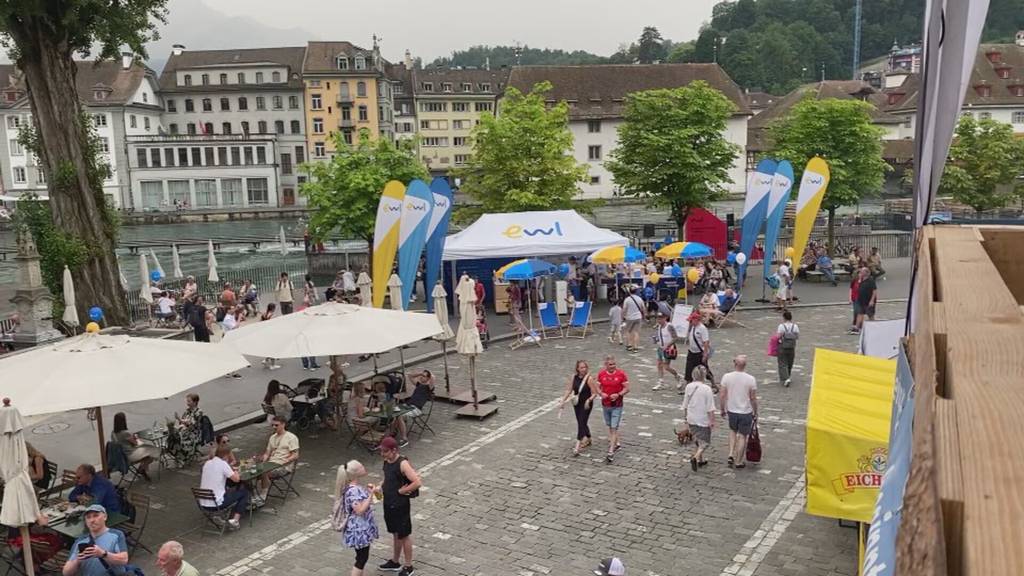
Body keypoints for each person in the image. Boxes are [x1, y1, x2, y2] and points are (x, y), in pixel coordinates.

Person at [378, 436, 422, 576]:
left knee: (404, 535)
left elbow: (416, 481)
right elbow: (386, 478)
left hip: (400, 505)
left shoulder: (402, 464)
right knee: (395, 533)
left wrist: (402, 491)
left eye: (385, 451)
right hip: (389, 503)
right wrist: (379, 487)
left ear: (394, 450)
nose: (382, 454)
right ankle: (395, 561)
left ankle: (409, 566)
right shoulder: (386, 461)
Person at [335, 460, 379, 576]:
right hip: (359, 528)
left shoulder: (354, 487)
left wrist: (374, 493)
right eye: (361, 466)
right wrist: (370, 494)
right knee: (362, 559)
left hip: (361, 526)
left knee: (361, 557)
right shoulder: (354, 491)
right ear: (355, 473)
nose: (364, 467)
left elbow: (376, 500)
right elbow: (359, 510)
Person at [61, 505, 129, 576]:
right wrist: (77, 560)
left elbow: (124, 560)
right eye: (88, 517)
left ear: (105, 517)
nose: (92, 520)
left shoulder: (116, 535)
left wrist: (103, 554)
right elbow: (66, 573)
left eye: (96, 516)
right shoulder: (80, 541)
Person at [720, 355, 758, 469]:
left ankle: (731, 453)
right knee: (742, 436)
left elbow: (722, 395)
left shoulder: (727, 377)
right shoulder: (750, 379)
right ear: (745, 365)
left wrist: (722, 409)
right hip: (745, 411)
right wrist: (755, 411)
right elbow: (753, 398)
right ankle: (739, 460)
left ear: (734, 364)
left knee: (732, 431)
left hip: (732, 409)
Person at [198, 444, 248, 530]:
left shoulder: (207, 463)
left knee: (230, 490)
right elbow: (236, 479)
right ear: (226, 455)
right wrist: (236, 471)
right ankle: (235, 521)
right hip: (216, 504)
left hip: (203, 503)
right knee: (244, 492)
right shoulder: (223, 464)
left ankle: (223, 517)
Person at [558, 360, 599, 456]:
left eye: (585, 367)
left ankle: (577, 445)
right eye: (581, 367)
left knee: (581, 422)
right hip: (577, 404)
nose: (583, 369)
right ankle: (588, 438)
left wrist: (589, 400)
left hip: (586, 404)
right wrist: (563, 400)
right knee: (581, 422)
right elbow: (569, 389)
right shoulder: (574, 377)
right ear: (577, 369)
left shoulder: (589, 379)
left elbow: (594, 393)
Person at [257, 415, 300, 504]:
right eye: (272, 425)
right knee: (253, 471)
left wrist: (285, 461)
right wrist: (263, 460)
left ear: (283, 425)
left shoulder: (291, 437)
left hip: (284, 466)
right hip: (271, 464)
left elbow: (295, 455)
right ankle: (253, 495)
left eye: (276, 425)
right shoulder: (272, 437)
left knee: (263, 472)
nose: (274, 427)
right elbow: (267, 453)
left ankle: (263, 494)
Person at [681, 365, 716, 471]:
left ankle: (701, 460)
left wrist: (685, 417)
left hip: (691, 417)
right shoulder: (707, 389)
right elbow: (710, 407)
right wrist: (712, 420)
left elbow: (685, 404)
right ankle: (696, 457)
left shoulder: (689, 387)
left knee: (697, 438)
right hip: (702, 418)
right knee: (705, 442)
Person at [596, 355, 629, 463]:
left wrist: (619, 394)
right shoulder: (601, 374)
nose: (612, 366)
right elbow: (597, 387)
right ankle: (617, 442)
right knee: (610, 425)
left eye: (614, 364)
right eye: (610, 364)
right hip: (606, 404)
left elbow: (627, 388)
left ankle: (610, 451)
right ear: (606, 365)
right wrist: (601, 393)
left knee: (614, 427)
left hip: (617, 405)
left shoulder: (621, 374)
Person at [111, 412, 159, 481]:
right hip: (130, 455)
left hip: (122, 455)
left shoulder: (113, 433)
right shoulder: (125, 433)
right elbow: (136, 443)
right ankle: (141, 469)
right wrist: (135, 438)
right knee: (152, 453)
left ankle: (142, 469)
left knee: (147, 452)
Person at [168, 393, 205, 464]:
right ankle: (179, 457)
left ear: (195, 402)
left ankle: (182, 458)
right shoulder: (187, 410)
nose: (187, 403)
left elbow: (191, 424)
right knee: (172, 439)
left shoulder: (199, 412)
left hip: (193, 433)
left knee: (178, 440)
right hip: (184, 431)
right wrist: (178, 426)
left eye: (189, 401)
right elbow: (182, 423)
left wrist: (180, 419)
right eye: (187, 401)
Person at [652, 312, 681, 390]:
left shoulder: (669, 326)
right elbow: (659, 336)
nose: (659, 320)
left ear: (665, 318)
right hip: (660, 348)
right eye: (658, 318)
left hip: (668, 349)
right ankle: (661, 382)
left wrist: (667, 345)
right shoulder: (659, 326)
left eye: (661, 318)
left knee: (666, 367)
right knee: (659, 364)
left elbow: (675, 337)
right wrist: (656, 340)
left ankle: (677, 376)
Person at [684, 312, 713, 385]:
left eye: (691, 320)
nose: (690, 322)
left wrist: (705, 354)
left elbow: (706, 342)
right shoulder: (693, 327)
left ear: (696, 320)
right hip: (691, 352)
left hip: (700, 353)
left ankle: (713, 383)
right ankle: (688, 385)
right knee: (688, 369)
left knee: (705, 369)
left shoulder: (702, 328)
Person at [776, 311, 799, 387]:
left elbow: (778, 336)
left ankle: (786, 378)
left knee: (782, 363)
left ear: (784, 318)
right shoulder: (795, 326)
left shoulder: (781, 326)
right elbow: (797, 337)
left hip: (783, 346)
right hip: (792, 347)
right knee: (790, 362)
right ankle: (788, 375)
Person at [853, 266, 877, 334]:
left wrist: (872, 300)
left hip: (868, 301)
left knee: (870, 315)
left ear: (866, 273)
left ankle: (874, 326)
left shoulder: (871, 280)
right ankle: (857, 328)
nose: (860, 272)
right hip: (861, 300)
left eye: (862, 271)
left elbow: (874, 291)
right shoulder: (861, 279)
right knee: (860, 313)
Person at [621, 286, 645, 353]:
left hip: (629, 318)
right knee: (636, 332)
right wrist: (644, 316)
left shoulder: (627, 299)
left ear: (629, 291)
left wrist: (622, 316)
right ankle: (635, 347)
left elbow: (624, 309)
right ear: (636, 291)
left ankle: (629, 345)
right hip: (638, 317)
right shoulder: (639, 299)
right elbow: (643, 308)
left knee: (628, 331)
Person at [260, 303, 280, 370]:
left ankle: (265, 360)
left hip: (264, 332)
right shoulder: (272, 315)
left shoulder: (264, 313)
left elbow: (260, 322)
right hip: (271, 333)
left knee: (268, 348)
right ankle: (272, 365)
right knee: (273, 349)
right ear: (273, 308)